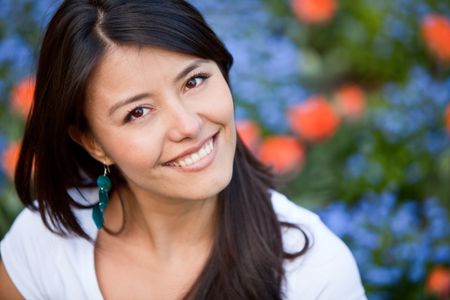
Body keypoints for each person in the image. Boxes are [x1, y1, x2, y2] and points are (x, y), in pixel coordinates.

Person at [0, 0, 366, 299]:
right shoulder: (43, 245)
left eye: (194, 80)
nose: (188, 125)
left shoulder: (312, 273)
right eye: (138, 112)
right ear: (94, 143)